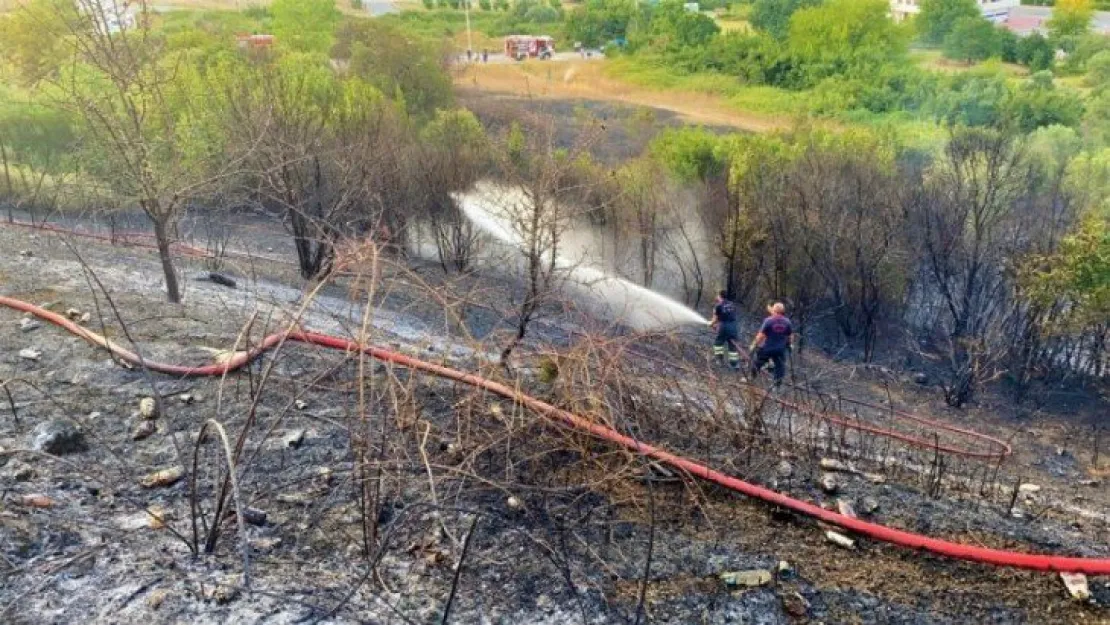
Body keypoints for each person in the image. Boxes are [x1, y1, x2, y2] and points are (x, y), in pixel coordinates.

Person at [749, 302, 793, 386]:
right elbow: (790, 336)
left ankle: (751, 378)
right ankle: (777, 386)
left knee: (758, 362)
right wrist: (790, 344)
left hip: (768, 348)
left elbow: (760, 335)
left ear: (774, 310)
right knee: (780, 367)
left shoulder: (769, 321)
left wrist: (754, 344)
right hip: (780, 349)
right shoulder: (787, 322)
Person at [708, 290, 741, 370]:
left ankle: (719, 360)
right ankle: (734, 364)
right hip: (733, 326)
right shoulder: (732, 304)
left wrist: (711, 324)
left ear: (720, 296)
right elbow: (731, 315)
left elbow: (715, 319)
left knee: (718, 343)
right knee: (732, 346)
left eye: (718, 295)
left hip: (724, 326)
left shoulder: (718, 306)